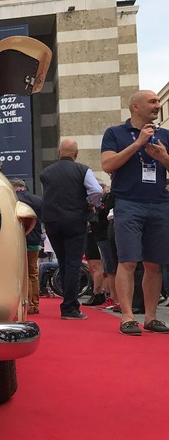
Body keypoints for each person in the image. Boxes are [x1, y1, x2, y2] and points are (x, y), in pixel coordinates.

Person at [101, 89, 169, 335]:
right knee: (128, 260)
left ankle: (151, 317)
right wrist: (138, 143)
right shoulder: (115, 133)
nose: (157, 105)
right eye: (152, 101)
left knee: (155, 264)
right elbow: (107, 164)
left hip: (160, 203)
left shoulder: (166, 136)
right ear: (136, 107)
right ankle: (128, 317)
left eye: (158, 102)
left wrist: (163, 157)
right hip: (128, 203)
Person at [40, 139, 103, 320]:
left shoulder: (46, 172)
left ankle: (68, 304)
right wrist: (91, 204)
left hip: (52, 221)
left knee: (63, 261)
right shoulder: (83, 170)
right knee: (73, 263)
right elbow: (97, 190)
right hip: (75, 220)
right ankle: (69, 307)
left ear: (59, 153)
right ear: (76, 154)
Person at [11, 178, 42, 314]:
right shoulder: (37, 200)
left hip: (16, 241)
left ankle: (23, 303)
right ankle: (34, 304)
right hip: (34, 240)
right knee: (33, 273)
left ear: (14, 187)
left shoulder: (12, 199)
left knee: (18, 274)